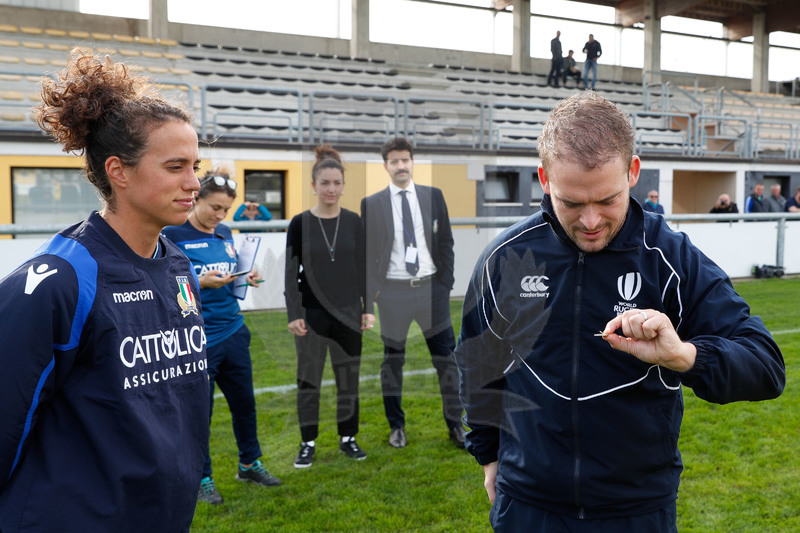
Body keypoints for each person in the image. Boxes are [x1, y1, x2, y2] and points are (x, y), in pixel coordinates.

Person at [454, 92, 785, 532]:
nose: (590, 220)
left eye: (607, 199)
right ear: (545, 179)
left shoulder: (671, 259)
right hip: (529, 503)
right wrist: (489, 454)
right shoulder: (505, 258)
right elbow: (478, 365)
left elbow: (766, 366)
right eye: (572, 203)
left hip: (636, 511)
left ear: (632, 172)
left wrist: (683, 356)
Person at [0, 50, 210, 531]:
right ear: (119, 171)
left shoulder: (178, 266)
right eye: (176, 166)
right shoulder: (60, 280)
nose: (194, 182)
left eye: (195, 165)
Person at [163, 170, 281, 506]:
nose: (220, 216)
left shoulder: (225, 233)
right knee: (199, 413)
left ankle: (249, 464)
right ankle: (202, 477)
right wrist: (202, 284)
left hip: (234, 331)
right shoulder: (173, 234)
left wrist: (246, 277)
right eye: (214, 207)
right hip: (199, 339)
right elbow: (165, 287)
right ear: (196, 199)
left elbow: (230, 276)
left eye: (226, 210)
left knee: (245, 405)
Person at [360, 137, 465, 449]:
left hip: (432, 291)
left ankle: (456, 426)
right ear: (386, 167)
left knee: (446, 362)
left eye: (405, 159)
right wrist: (374, 293)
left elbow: (445, 241)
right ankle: (397, 427)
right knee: (393, 362)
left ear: (412, 162)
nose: (401, 165)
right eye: (394, 161)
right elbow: (365, 254)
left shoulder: (433, 196)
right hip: (393, 294)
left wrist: (445, 283)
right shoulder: (373, 203)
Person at [285, 145, 375, 468]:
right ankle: (308, 442)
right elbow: (289, 271)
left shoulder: (354, 222)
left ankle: (348, 438)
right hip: (311, 315)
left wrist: (368, 308)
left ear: (343, 185)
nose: (331, 189)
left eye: (337, 183)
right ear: (313, 185)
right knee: (308, 380)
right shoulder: (299, 224)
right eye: (325, 183)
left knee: (347, 378)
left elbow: (364, 267)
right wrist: (294, 313)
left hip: (350, 313)